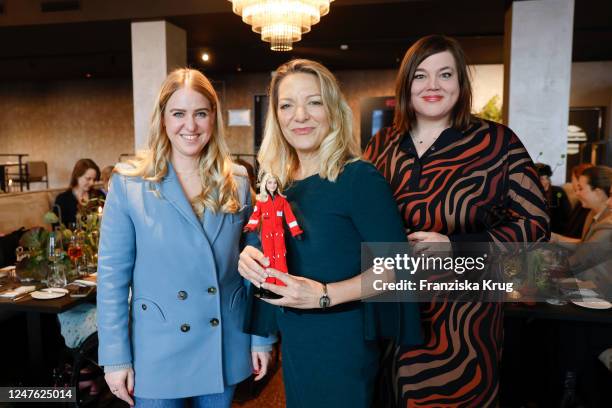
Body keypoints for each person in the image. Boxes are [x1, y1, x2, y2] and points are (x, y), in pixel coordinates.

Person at [363, 35, 549, 406]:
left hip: (465, 320)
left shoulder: (497, 142)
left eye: (445, 74)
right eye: (420, 76)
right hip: (394, 308)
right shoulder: (381, 144)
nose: (433, 86)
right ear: (406, 85)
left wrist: (455, 246)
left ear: (461, 84)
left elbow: (535, 224)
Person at [238, 59, 422, 408]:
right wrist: (250, 258)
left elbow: (398, 270)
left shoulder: (358, 178)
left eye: (314, 102)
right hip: (295, 338)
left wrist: (324, 294)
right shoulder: (281, 181)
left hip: (343, 341)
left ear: (333, 110)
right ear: (276, 117)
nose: (300, 115)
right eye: (287, 105)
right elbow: (272, 247)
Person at [97, 68, 274, 407]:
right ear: (162, 119)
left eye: (200, 113)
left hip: (223, 341)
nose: (190, 126)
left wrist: (261, 338)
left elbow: (258, 269)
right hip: (156, 350)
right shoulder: (129, 184)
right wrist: (116, 358)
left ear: (213, 119)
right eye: (178, 113)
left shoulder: (237, 181)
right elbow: (111, 281)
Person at [243, 172, 303, 298]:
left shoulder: (282, 201)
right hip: (266, 234)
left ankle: (281, 286)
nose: (272, 185)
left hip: (279, 233)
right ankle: (268, 286)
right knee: (268, 258)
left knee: (281, 256)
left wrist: (296, 231)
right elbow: (255, 215)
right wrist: (250, 226)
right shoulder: (261, 202)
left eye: (275, 183)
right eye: (270, 182)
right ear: (265, 184)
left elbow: (290, 217)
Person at [54, 159, 104, 226]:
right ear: (77, 176)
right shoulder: (63, 200)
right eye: (88, 179)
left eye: (94, 179)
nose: (92, 183)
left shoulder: (99, 195)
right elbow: (57, 228)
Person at [535, 163, 572, 234]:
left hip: (557, 233)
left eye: (547, 178)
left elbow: (567, 216)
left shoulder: (558, 192)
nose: (545, 182)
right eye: (541, 179)